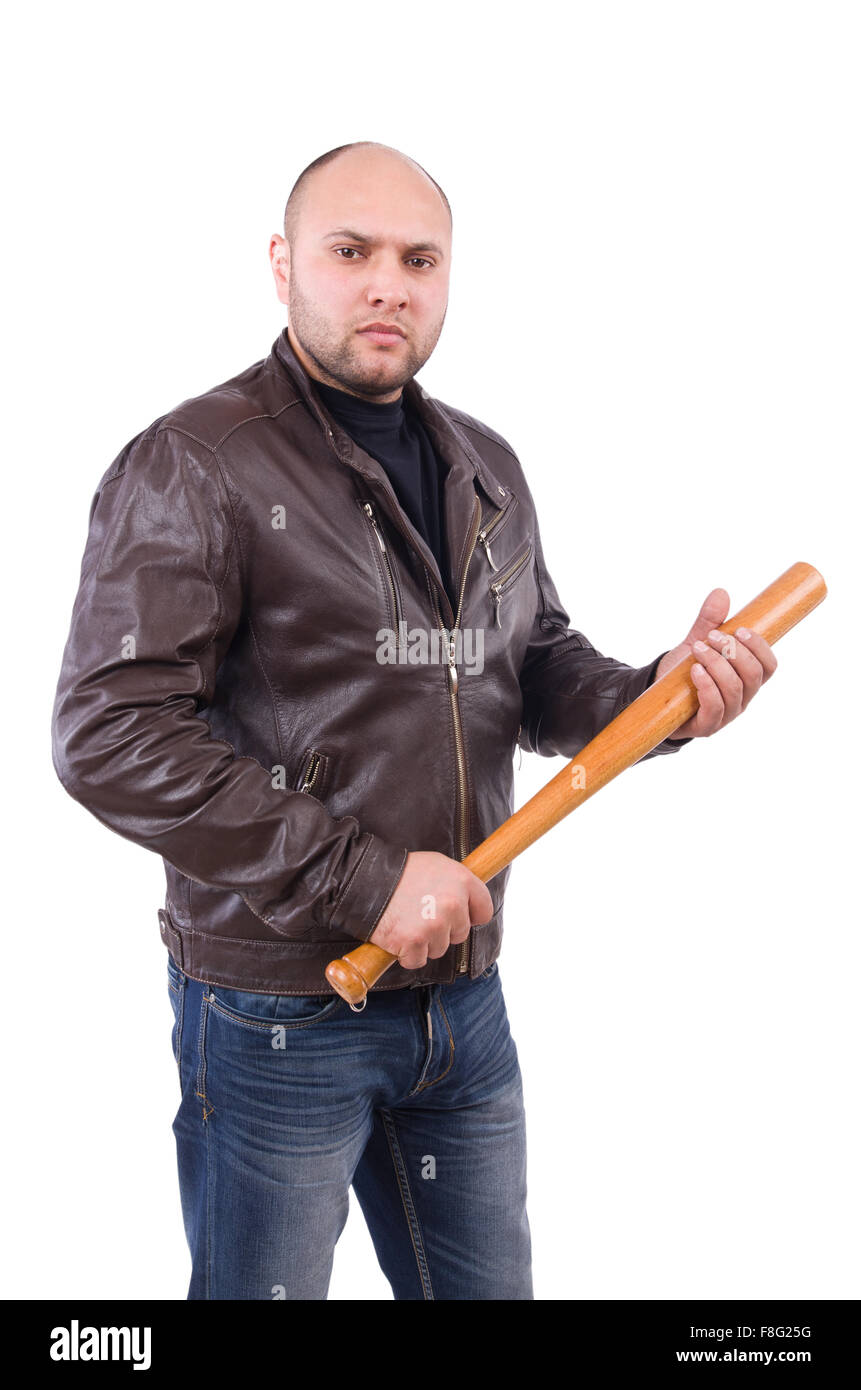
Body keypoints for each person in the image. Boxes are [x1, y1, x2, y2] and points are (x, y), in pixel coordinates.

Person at [51, 141, 777, 1301]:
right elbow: (110, 732)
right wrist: (364, 878)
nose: (390, 282)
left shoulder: (483, 462)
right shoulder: (196, 463)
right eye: (353, 252)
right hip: (282, 1005)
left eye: (419, 258)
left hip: (463, 1000)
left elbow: (530, 665)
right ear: (286, 264)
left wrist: (659, 698)